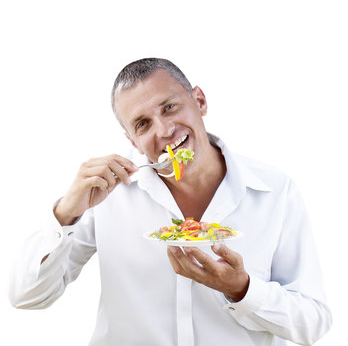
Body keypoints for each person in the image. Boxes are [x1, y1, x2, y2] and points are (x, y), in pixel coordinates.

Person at [9, 58, 332, 345]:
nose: (164, 130)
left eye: (169, 107)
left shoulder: (276, 190)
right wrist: (67, 211)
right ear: (132, 140)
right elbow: (27, 296)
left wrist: (242, 290)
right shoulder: (107, 194)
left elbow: (313, 323)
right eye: (142, 124)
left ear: (200, 101)